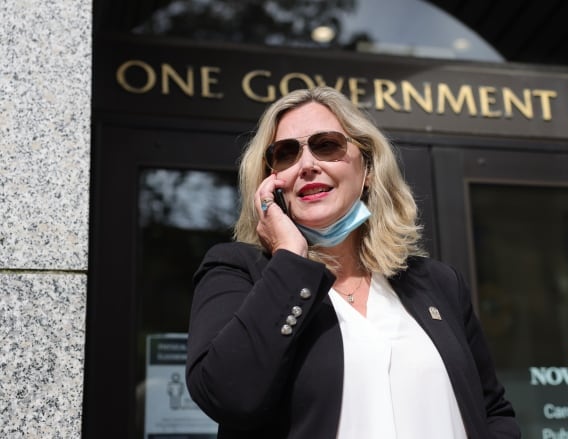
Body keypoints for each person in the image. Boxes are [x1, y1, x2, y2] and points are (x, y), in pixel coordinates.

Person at [186, 86, 521, 438]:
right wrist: (288, 258)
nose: (307, 165)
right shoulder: (238, 270)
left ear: (369, 169)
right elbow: (225, 394)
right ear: (271, 181)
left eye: (326, 145)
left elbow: (493, 410)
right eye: (285, 153)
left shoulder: (438, 283)